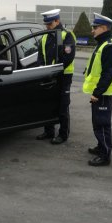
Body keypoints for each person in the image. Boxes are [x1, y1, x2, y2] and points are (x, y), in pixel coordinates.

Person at [83, 12, 112, 166]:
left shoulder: (110, 46)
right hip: (100, 92)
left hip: (103, 93)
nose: (93, 30)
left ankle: (105, 156)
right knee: (97, 122)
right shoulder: (103, 43)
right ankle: (101, 147)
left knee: (102, 124)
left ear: (104, 27)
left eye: (95, 27)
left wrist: (97, 93)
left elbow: (108, 73)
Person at [36, 9, 76, 144]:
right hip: (48, 75)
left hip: (63, 76)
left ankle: (63, 134)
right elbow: (40, 56)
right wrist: (43, 69)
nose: (47, 26)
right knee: (48, 103)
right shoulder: (45, 37)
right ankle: (49, 131)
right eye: (46, 24)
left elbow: (68, 57)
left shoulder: (67, 35)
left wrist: (55, 70)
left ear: (57, 21)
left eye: (49, 24)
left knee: (63, 105)